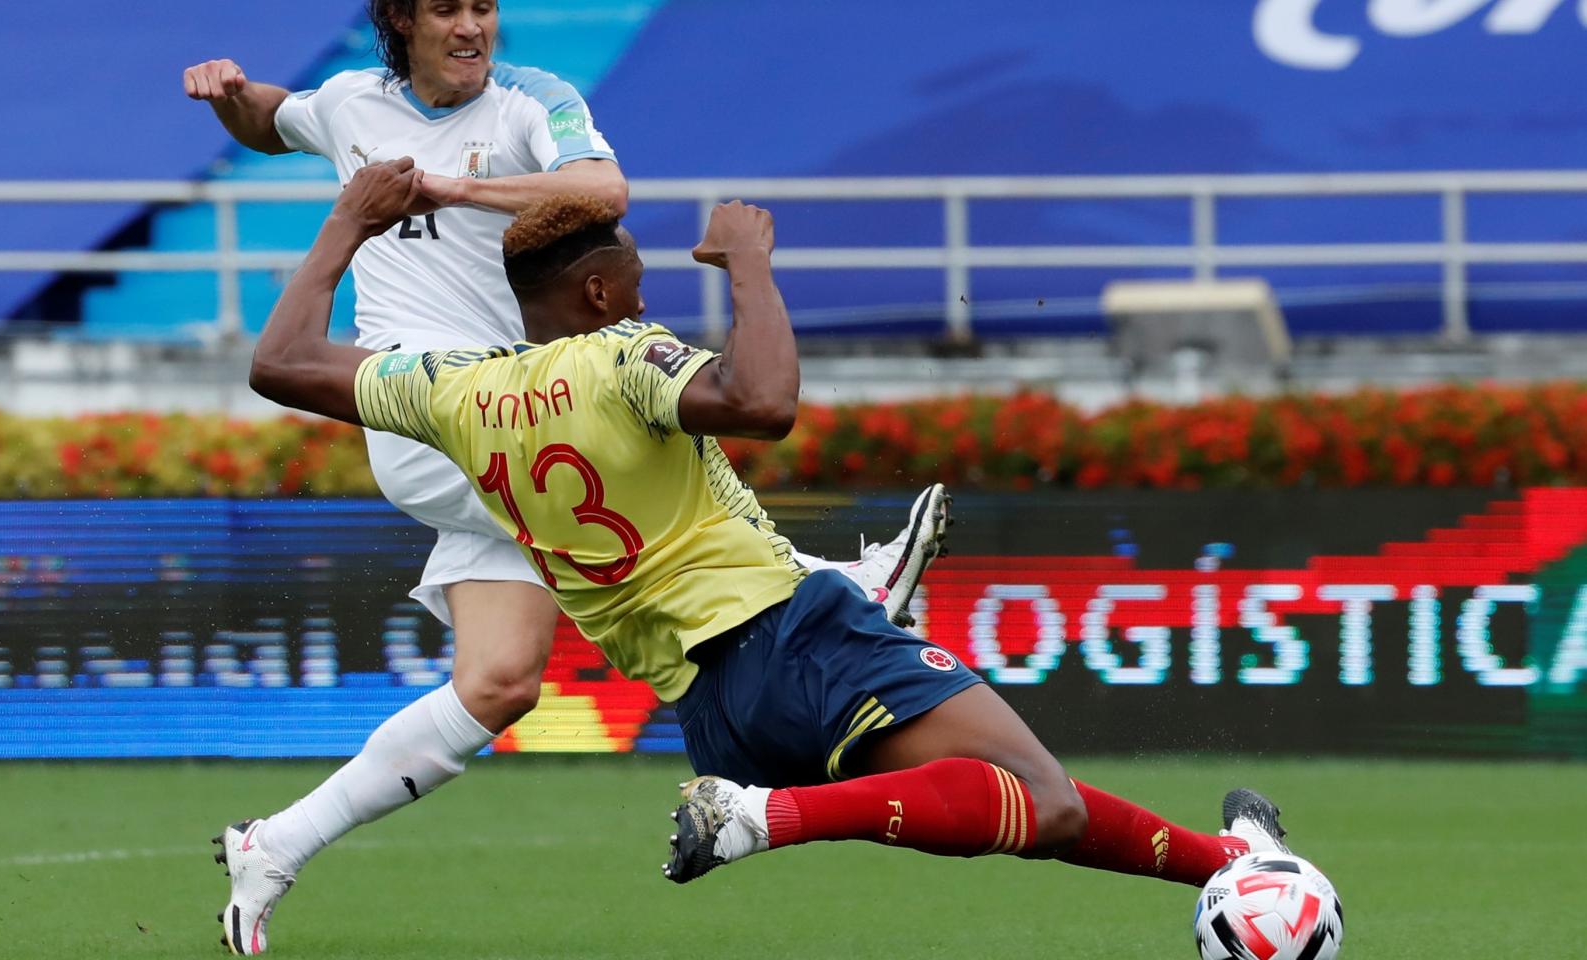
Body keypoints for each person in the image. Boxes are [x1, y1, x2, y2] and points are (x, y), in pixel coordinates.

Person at [238, 157, 1297, 948]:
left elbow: (280, 362)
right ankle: (765, 811)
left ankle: (1229, 864)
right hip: (787, 635)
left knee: (1013, 804)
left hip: (710, 711)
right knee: (1037, 796)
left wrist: (346, 223)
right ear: (598, 295)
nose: (647, 296)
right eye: (637, 280)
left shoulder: (455, 391)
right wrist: (749, 265)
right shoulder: (621, 357)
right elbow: (764, 403)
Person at [188, 5, 944, 953]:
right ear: (398, 20)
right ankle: (834, 583)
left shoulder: (527, 104)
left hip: (518, 416)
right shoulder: (348, 103)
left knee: (499, 685)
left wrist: (449, 192)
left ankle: (275, 845)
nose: (472, 25)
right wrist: (228, 93)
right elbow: (272, 119)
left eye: (483, 6)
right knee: (634, 448)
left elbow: (605, 188)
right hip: (444, 413)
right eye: (447, 8)